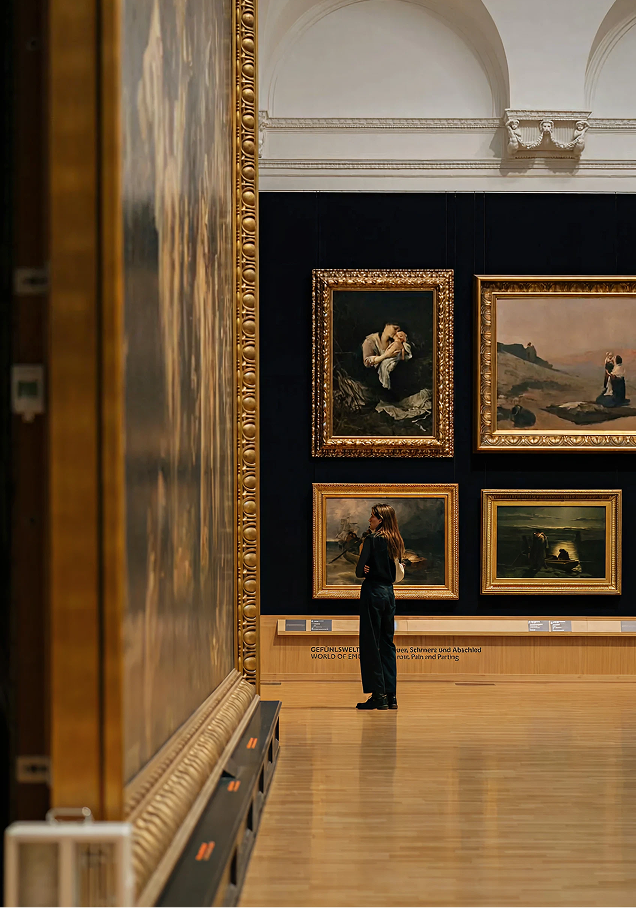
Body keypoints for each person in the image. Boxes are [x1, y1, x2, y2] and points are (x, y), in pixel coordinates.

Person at [354, 504, 405, 711]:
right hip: (389, 594)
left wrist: (366, 567)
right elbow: (395, 571)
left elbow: (359, 571)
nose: (370, 520)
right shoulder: (396, 540)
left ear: (381, 519)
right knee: (387, 643)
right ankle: (391, 696)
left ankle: (378, 695)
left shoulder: (372, 540)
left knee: (370, 643)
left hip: (372, 592)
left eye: (372, 516)